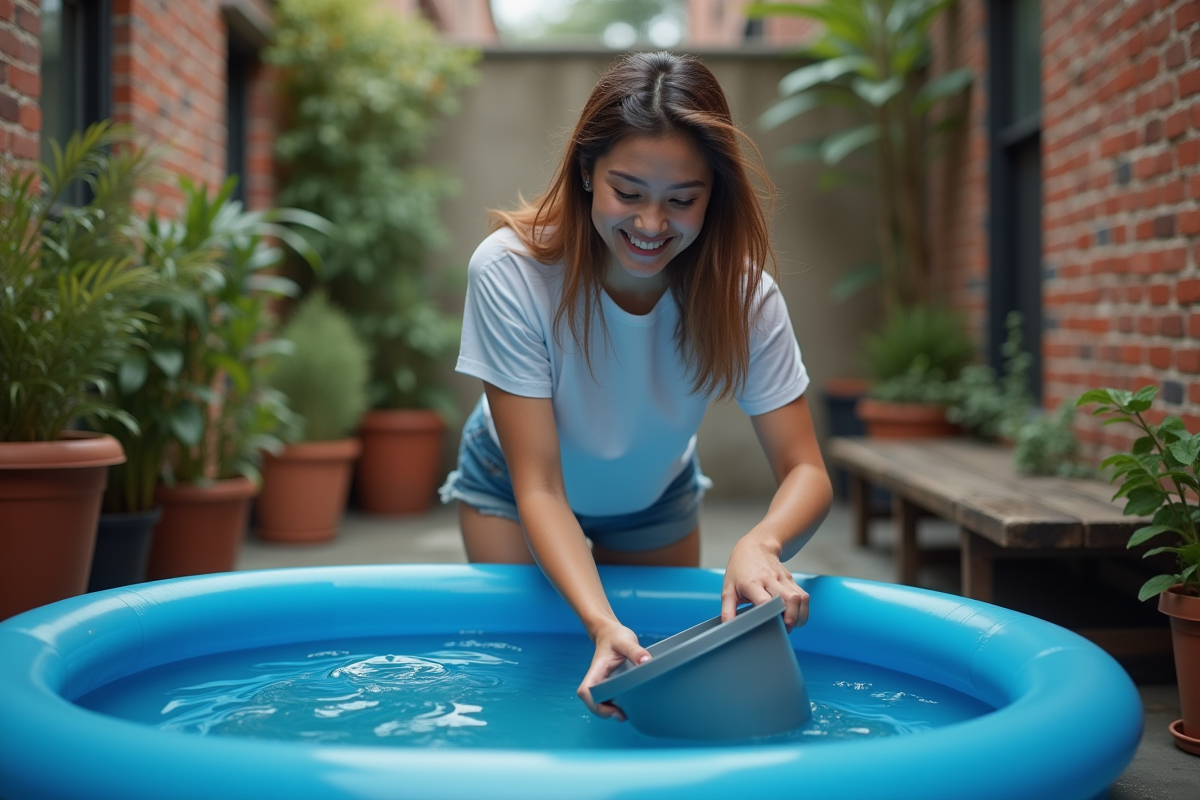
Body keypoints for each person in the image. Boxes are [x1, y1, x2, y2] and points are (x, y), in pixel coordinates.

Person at [439, 51, 832, 722]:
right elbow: (539, 485)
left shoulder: (743, 296)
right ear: (588, 172)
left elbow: (806, 470)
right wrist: (598, 621)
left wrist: (760, 542)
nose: (651, 226)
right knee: (526, 679)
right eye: (629, 193)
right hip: (512, 487)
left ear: (714, 192)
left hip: (656, 497)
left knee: (653, 683)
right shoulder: (510, 272)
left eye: (682, 200)